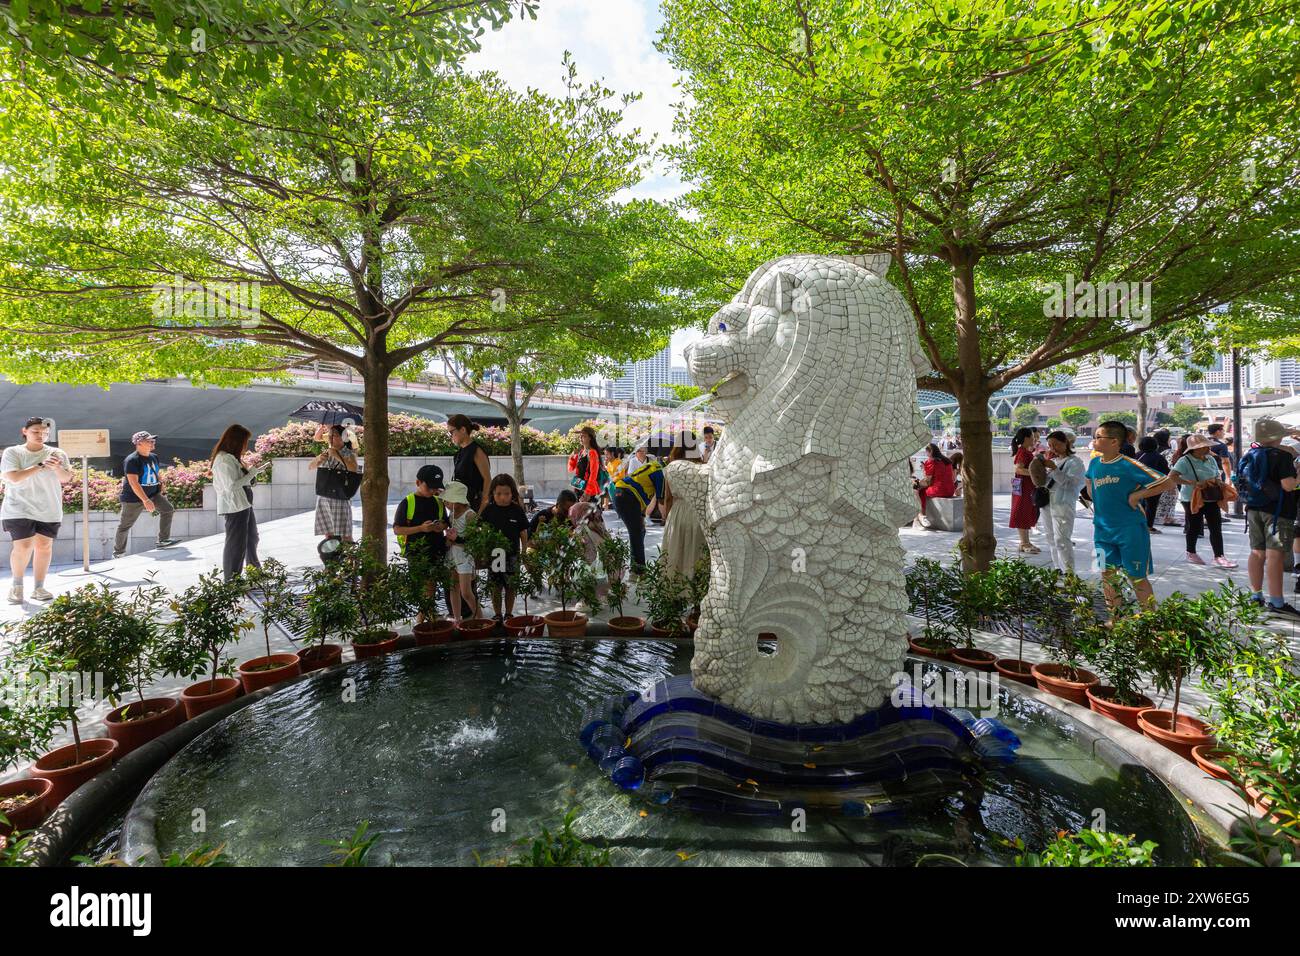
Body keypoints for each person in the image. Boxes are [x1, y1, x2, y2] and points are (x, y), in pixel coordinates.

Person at [1086, 420, 1173, 613]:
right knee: (1107, 575)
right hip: (1102, 531)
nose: (1094, 440)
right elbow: (1089, 483)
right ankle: (1114, 618)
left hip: (1130, 530)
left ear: (1114, 441)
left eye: (1099, 437)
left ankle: (1150, 621)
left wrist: (1138, 495)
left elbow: (1167, 482)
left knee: (1137, 577)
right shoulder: (1093, 463)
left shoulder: (1129, 465)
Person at [2, 416, 73, 604]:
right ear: (24, 432)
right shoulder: (13, 452)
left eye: (44, 433)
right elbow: (14, 477)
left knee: (44, 547)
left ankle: (39, 588)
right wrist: (41, 465)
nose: (41, 435)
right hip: (18, 507)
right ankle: (17, 587)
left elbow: (66, 478)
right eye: (36, 432)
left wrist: (57, 467)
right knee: (23, 546)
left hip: (49, 507)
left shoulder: (57, 453)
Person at [1240, 417, 1300, 617]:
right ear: (1277, 438)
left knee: (1257, 552)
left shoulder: (1251, 453)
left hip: (1253, 509)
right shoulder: (1281, 456)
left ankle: (1256, 595)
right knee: (1275, 555)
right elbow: (1288, 485)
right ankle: (1277, 602)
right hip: (1277, 512)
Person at [211, 424, 271, 581]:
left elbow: (238, 481)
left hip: (243, 503)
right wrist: (251, 474)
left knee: (252, 537)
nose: (245, 446)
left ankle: (254, 571)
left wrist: (250, 473)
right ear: (236, 441)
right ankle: (232, 580)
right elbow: (231, 486)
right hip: (235, 505)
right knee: (236, 543)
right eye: (244, 442)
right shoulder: (223, 459)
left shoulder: (230, 458)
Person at [1170, 434, 1236, 569]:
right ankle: (1191, 552)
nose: (1208, 448)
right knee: (1194, 526)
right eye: (1205, 446)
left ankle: (1219, 556)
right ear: (1196, 448)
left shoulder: (1210, 459)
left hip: (1211, 496)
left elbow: (1216, 474)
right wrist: (1191, 483)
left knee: (1215, 526)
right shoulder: (1185, 461)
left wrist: (1217, 481)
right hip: (1191, 498)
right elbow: (1172, 477)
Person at [393, 464, 449, 623]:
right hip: (417, 553)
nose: (433, 491)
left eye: (436, 488)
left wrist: (440, 527)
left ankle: (428, 615)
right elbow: (397, 529)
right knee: (426, 586)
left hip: (437, 550)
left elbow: (446, 522)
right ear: (418, 483)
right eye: (429, 487)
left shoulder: (438, 502)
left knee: (431, 586)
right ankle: (422, 618)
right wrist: (421, 528)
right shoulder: (408, 502)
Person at [112, 431, 181, 559]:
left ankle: (163, 540)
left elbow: (156, 471)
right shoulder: (132, 460)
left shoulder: (153, 456)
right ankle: (118, 553)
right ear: (139, 443)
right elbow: (133, 483)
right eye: (149, 441)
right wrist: (145, 500)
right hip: (134, 498)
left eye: (153, 440)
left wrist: (160, 482)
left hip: (153, 493)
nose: (152, 442)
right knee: (125, 525)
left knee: (168, 510)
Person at [478, 474, 529, 622]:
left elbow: (523, 532)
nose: (502, 497)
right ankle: (498, 613)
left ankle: (508, 613)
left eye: (506, 494)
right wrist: (483, 551)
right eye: (499, 494)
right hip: (495, 554)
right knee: (496, 585)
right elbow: (482, 531)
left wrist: (524, 551)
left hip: (512, 554)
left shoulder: (517, 510)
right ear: (493, 493)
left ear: (512, 493)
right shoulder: (489, 510)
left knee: (511, 586)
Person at [1039, 430, 1087, 574]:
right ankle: (1057, 568)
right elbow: (1046, 483)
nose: (1053, 448)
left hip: (1063, 504)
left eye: (1056, 444)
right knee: (1050, 538)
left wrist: (1053, 469)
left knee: (1062, 539)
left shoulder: (1075, 462)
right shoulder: (1053, 461)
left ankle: (1069, 572)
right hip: (1047, 504)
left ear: (1066, 443)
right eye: (1050, 445)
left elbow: (1070, 484)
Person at [612, 446, 665, 573]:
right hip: (626, 496)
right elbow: (661, 499)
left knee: (640, 531)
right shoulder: (659, 473)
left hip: (622, 494)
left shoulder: (652, 467)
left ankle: (636, 565)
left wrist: (642, 516)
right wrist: (666, 518)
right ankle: (638, 569)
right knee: (636, 532)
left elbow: (642, 493)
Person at [660, 438, 707, 581]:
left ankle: (674, 592)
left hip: (678, 514)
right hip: (699, 513)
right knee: (696, 554)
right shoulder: (703, 467)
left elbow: (668, 499)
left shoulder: (672, 468)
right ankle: (696, 595)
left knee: (676, 552)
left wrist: (667, 519)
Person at [307, 424, 359, 545]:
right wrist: (319, 458)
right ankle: (333, 560)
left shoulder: (346, 452)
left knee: (345, 535)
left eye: (334, 435)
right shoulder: (327, 452)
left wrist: (336, 454)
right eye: (330, 435)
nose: (330, 438)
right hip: (324, 497)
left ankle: (350, 561)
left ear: (343, 437)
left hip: (339, 498)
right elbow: (310, 467)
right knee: (329, 535)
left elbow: (353, 468)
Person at [439, 479, 481, 625]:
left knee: (466, 591)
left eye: (448, 500)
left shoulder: (470, 515)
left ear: (457, 501)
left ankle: (479, 618)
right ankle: (457, 619)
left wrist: (457, 539)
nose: (445, 503)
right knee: (453, 587)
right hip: (452, 554)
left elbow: (475, 540)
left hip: (464, 556)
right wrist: (448, 539)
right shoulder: (451, 515)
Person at [447, 414, 491, 513]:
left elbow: (487, 479)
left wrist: (484, 502)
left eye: (451, 432)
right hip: (460, 504)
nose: (451, 436)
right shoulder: (459, 453)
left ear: (462, 429)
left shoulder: (476, 450)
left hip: (474, 504)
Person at [1009, 427, 1041, 553]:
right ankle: (1024, 543)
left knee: (1026, 512)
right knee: (1023, 512)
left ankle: (1025, 542)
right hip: (1024, 488)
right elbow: (1018, 469)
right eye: (1033, 437)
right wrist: (1036, 474)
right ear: (1027, 438)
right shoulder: (1022, 452)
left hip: (1026, 487)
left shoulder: (1024, 451)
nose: (1035, 439)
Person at [912, 443, 956, 528]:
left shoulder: (931, 462)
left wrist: (924, 470)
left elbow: (927, 481)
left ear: (930, 452)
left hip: (939, 490)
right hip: (950, 490)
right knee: (920, 489)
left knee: (919, 491)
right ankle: (919, 519)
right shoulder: (947, 461)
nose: (926, 455)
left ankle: (921, 517)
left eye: (927, 452)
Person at [1135, 436, 1171, 533]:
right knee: (1151, 506)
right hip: (1154, 485)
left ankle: (1138, 525)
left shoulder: (1137, 455)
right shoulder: (1158, 457)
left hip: (1138, 484)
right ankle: (1148, 526)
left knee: (1139, 505)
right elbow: (1166, 471)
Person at [1151, 429, 1180, 529]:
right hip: (1167, 479)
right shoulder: (1169, 452)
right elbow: (1171, 467)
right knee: (1170, 499)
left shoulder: (1152, 451)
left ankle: (1154, 517)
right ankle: (1168, 518)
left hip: (1154, 480)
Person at [568, 426, 604, 502]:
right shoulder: (581, 452)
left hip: (587, 489)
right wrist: (572, 456)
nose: (581, 438)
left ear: (590, 438)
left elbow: (594, 473)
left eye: (583, 436)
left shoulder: (592, 452)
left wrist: (587, 492)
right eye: (580, 436)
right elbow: (571, 469)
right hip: (579, 486)